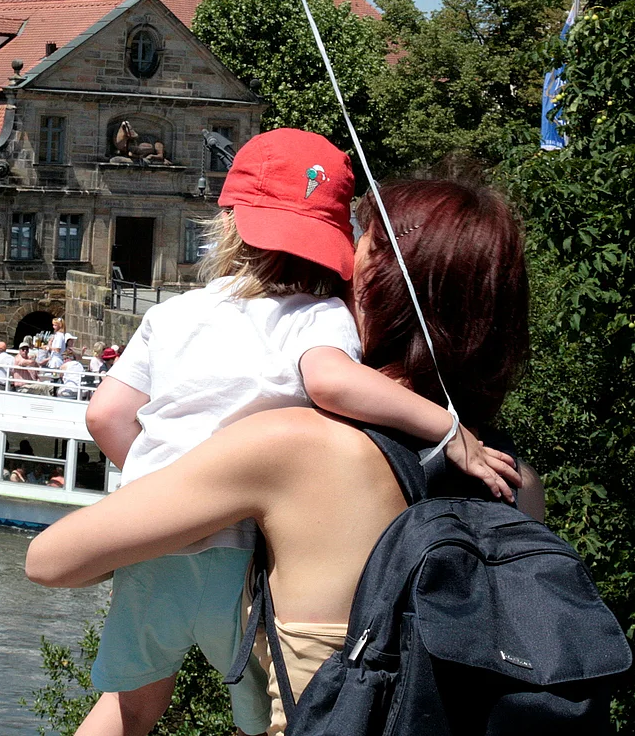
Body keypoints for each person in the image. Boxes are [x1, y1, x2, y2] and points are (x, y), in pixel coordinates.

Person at [28, 175, 541, 736]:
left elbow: (51, 561)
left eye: (354, 255)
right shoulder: (517, 481)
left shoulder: (291, 445)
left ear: (377, 287)